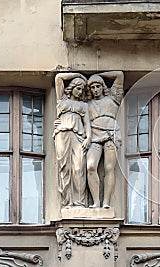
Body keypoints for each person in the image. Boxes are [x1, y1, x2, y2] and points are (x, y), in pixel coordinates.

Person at [86, 71, 124, 208]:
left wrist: (97, 71)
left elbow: (119, 75)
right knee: (90, 166)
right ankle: (96, 201)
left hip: (110, 135)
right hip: (94, 136)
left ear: (103, 87)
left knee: (109, 168)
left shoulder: (113, 99)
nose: (95, 90)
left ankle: (106, 202)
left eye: (98, 86)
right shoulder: (87, 104)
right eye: (92, 87)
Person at [53, 73, 91, 208]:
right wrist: (79, 74)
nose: (80, 92)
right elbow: (59, 79)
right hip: (62, 133)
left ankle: (79, 202)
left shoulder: (83, 105)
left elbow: (87, 123)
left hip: (79, 136)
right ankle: (67, 201)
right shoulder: (62, 100)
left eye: (82, 90)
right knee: (64, 167)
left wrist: (89, 138)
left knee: (79, 167)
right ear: (72, 87)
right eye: (78, 88)